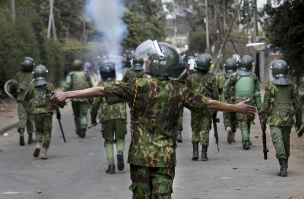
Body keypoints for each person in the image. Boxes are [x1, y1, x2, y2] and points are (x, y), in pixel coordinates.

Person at [50, 40, 257, 198]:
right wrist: (235, 107)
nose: (145, 62)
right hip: (164, 158)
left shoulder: (137, 86)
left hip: (140, 158)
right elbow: (208, 103)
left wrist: (68, 94)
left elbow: (101, 90)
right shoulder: (179, 89)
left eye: (148, 60)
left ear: (157, 64)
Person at [260, 60, 302, 177]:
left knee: (281, 141)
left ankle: (284, 165)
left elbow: (265, 106)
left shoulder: (270, 86)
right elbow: (297, 106)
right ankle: (283, 165)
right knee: (283, 141)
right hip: (287, 119)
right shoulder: (292, 86)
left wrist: (263, 120)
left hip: (274, 120)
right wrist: (299, 121)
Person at [90, 61, 127, 174]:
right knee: (120, 139)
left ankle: (111, 166)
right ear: (114, 73)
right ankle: (119, 152)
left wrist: (93, 119)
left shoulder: (100, 87)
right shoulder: (120, 85)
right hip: (120, 115)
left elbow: (95, 106)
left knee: (108, 141)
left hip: (106, 117)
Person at [224, 55, 262, 150]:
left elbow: (226, 85)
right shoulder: (253, 76)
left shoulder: (235, 75)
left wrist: (227, 95)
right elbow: (257, 92)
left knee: (243, 122)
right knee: (248, 120)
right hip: (251, 101)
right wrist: (259, 106)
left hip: (239, 102)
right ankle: (246, 139)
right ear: (250, 66)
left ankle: (245, 140)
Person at [23, 64, 61, 159]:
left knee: (38, 131)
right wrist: (58, 112)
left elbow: (26, 99)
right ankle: (44, 152)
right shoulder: (49, 86)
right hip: (47, 113)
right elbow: (54, 100)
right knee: (47, 132)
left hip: (36, 112)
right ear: (45, 74)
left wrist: (28, 109)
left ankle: (38, 145)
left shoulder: (32, 87)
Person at [186, 53, 219, 161]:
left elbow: (188, 92)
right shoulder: (212, 78)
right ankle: (204, 154)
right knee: (205, 129)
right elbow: (215, 94)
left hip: (195, 107)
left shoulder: (191, 77)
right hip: (208, 107)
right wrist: (216, 107)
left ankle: (195, 152)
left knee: (195, 129)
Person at [62, 60, 93, 138]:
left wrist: (62, 93)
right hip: (84, 98)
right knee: (83, 115)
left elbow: (68, 85)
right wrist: (91, 98)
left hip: (74, 98)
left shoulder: (71, 75)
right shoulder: (86, 74)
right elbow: (91, 86)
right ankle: (84, 126)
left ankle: (78, 129)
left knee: (76, 115)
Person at [12, 57, 35, 146]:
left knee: (22, 117)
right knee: (30, 118)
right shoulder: (33, 75)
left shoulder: (18, 75)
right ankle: (30, 138)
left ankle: (21, 132)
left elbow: (13, 85)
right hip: (30, 100)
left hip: (21, 99)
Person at [217, 58, 238, 144]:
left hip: (224, 102)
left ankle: (228, 128)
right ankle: (232, 135)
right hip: (236, 101)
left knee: (226, 117)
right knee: (234, 118)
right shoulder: (238, 76)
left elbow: (217, 90)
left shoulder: (221, 77)